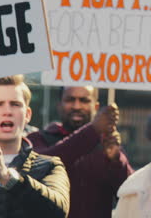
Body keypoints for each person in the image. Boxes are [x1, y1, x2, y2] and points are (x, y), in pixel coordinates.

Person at [0, 75, 70, 217]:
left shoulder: (49, 166)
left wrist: (7, 178)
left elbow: (58, 212)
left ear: (27, 115)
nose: (8, 111)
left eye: (15, 104)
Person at [27, 86, 133, 218]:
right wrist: (93, 130)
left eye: (84, 100)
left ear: (96, 106)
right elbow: (44, 164)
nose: (77, 106)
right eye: (70, 100)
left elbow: (128, 193)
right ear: (59, 105)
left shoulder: (107, 144)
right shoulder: (38, 139)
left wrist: (117, 159)